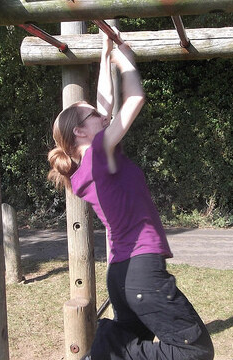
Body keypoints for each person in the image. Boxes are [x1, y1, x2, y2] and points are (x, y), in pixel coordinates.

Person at [47, 29, 214, 360]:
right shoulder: (98, 152)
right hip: (141, 272)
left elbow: (103, 104)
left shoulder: (89, 164)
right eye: (93, 116)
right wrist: (126, 63)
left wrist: (105, 51)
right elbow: (134, 98)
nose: (102, 115)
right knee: (195, 351)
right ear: (81, 131)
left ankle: (112, 347)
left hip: (121, 274)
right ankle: (109, 348)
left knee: (136, 339)